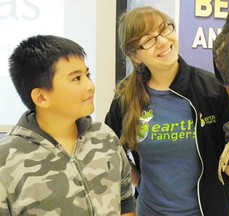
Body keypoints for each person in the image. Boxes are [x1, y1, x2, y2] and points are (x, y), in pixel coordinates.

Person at [105, 6, 229, 216]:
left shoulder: (213, 90)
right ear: (134, 55)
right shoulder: (125, 99)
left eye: (165, 29)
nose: (163, 41)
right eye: (148, 40)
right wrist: (136, 177)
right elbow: (110, 150)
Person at [0, 35, 136, 216]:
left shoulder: (105, 137)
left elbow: (125, 198)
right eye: (76, 79)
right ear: (41, 97)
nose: (90, 86)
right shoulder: (6, 160)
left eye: (87, 75)